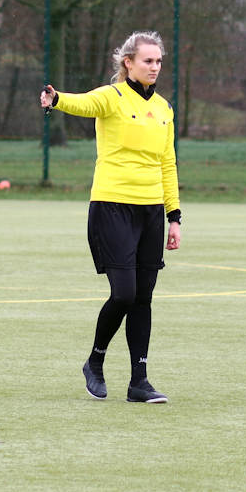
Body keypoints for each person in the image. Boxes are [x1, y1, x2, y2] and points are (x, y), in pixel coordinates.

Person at [40, 30, 181, 404]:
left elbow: (168, 163)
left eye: (158, 61)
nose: (155, 67)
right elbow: (82, 104)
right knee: (124, 293)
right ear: (128, 63)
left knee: (144, 298)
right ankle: (95, 361)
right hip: (112, 207)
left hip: (150, 211)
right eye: (148, 61)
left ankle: (139, 382)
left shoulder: (164, 108)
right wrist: (56, 100)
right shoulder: (112, 96)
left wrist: (174, 216)